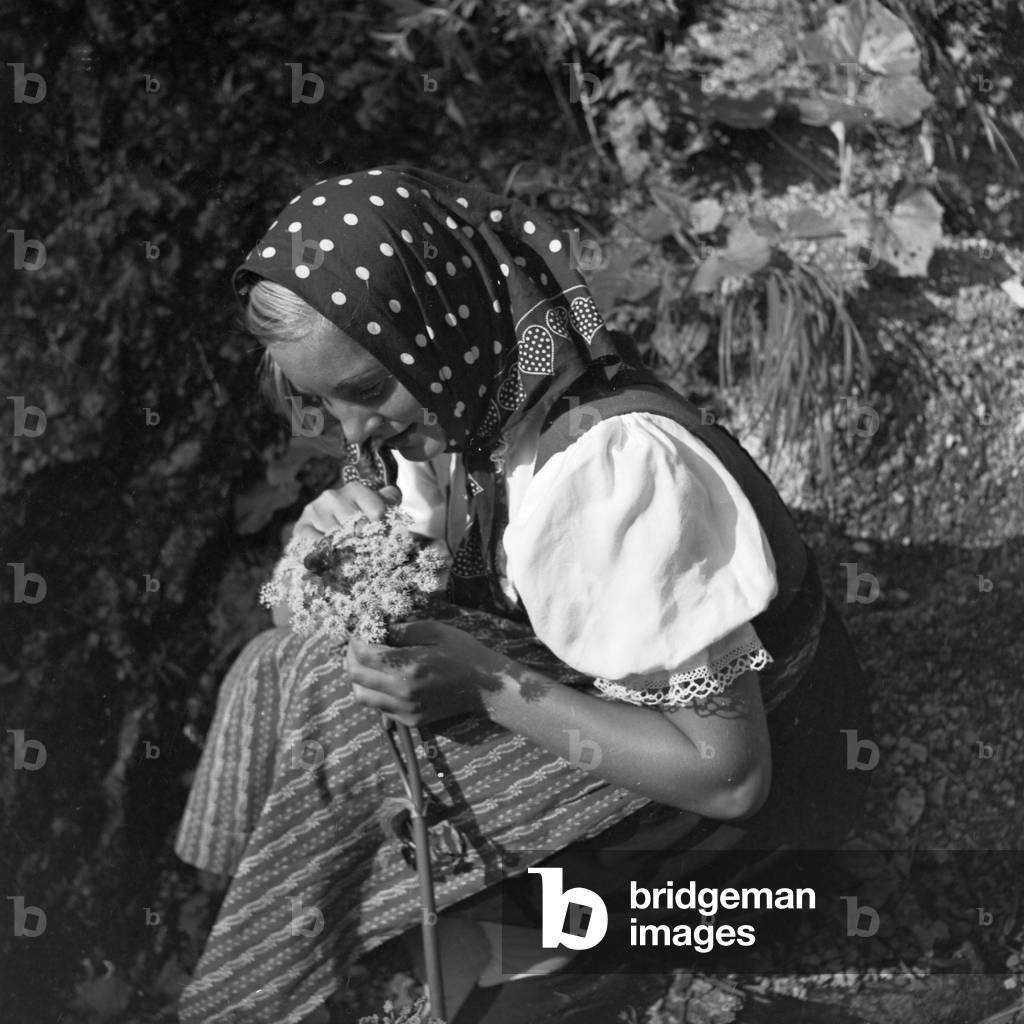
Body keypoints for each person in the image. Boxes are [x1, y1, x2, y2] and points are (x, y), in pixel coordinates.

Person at [174, 166, 871, 1024]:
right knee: (276, 666)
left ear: (433, 325)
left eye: (363, 391)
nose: (351, 433)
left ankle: (540, 946)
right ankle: (233, 925)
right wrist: (317, 558)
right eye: (319, 402)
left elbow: (730, 776)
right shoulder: (463, 408)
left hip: (756, 802)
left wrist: (487, 687)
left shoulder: (608, 470)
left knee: (336, 710)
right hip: (605, 717)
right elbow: (322, 620)